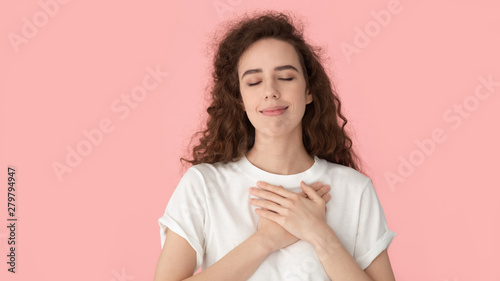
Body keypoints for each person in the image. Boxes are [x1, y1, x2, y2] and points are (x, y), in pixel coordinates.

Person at [154, 10, 397, 281]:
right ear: (239, 98)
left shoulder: (355, 190)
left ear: (309, 91)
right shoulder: (203, 185)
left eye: (286, 77)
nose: (270, 90)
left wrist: (318, 233)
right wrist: (265, 241)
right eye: (254, 81)